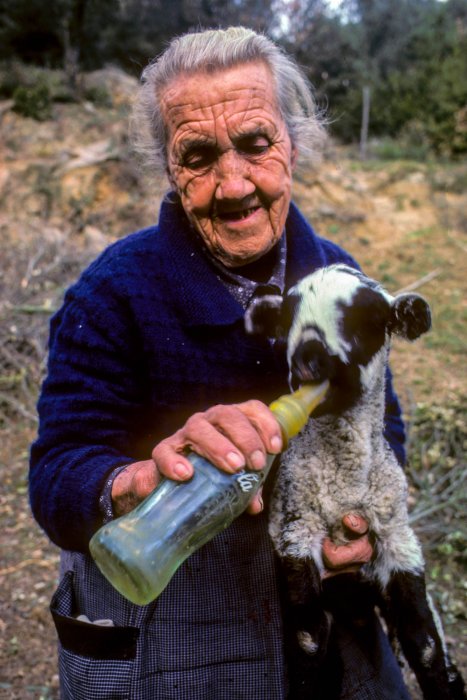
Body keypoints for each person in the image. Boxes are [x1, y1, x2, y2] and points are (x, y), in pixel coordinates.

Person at [29, 26, 410, 700]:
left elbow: (382, 434)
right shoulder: (112, 291)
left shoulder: (340, 279)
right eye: (197, 156)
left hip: (315, 612)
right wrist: (138, 478)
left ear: (292, 142)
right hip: (166, 620)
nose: (231, 184)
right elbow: (57, 475)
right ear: (169, 168)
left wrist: (359, 532)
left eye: (256, 144)